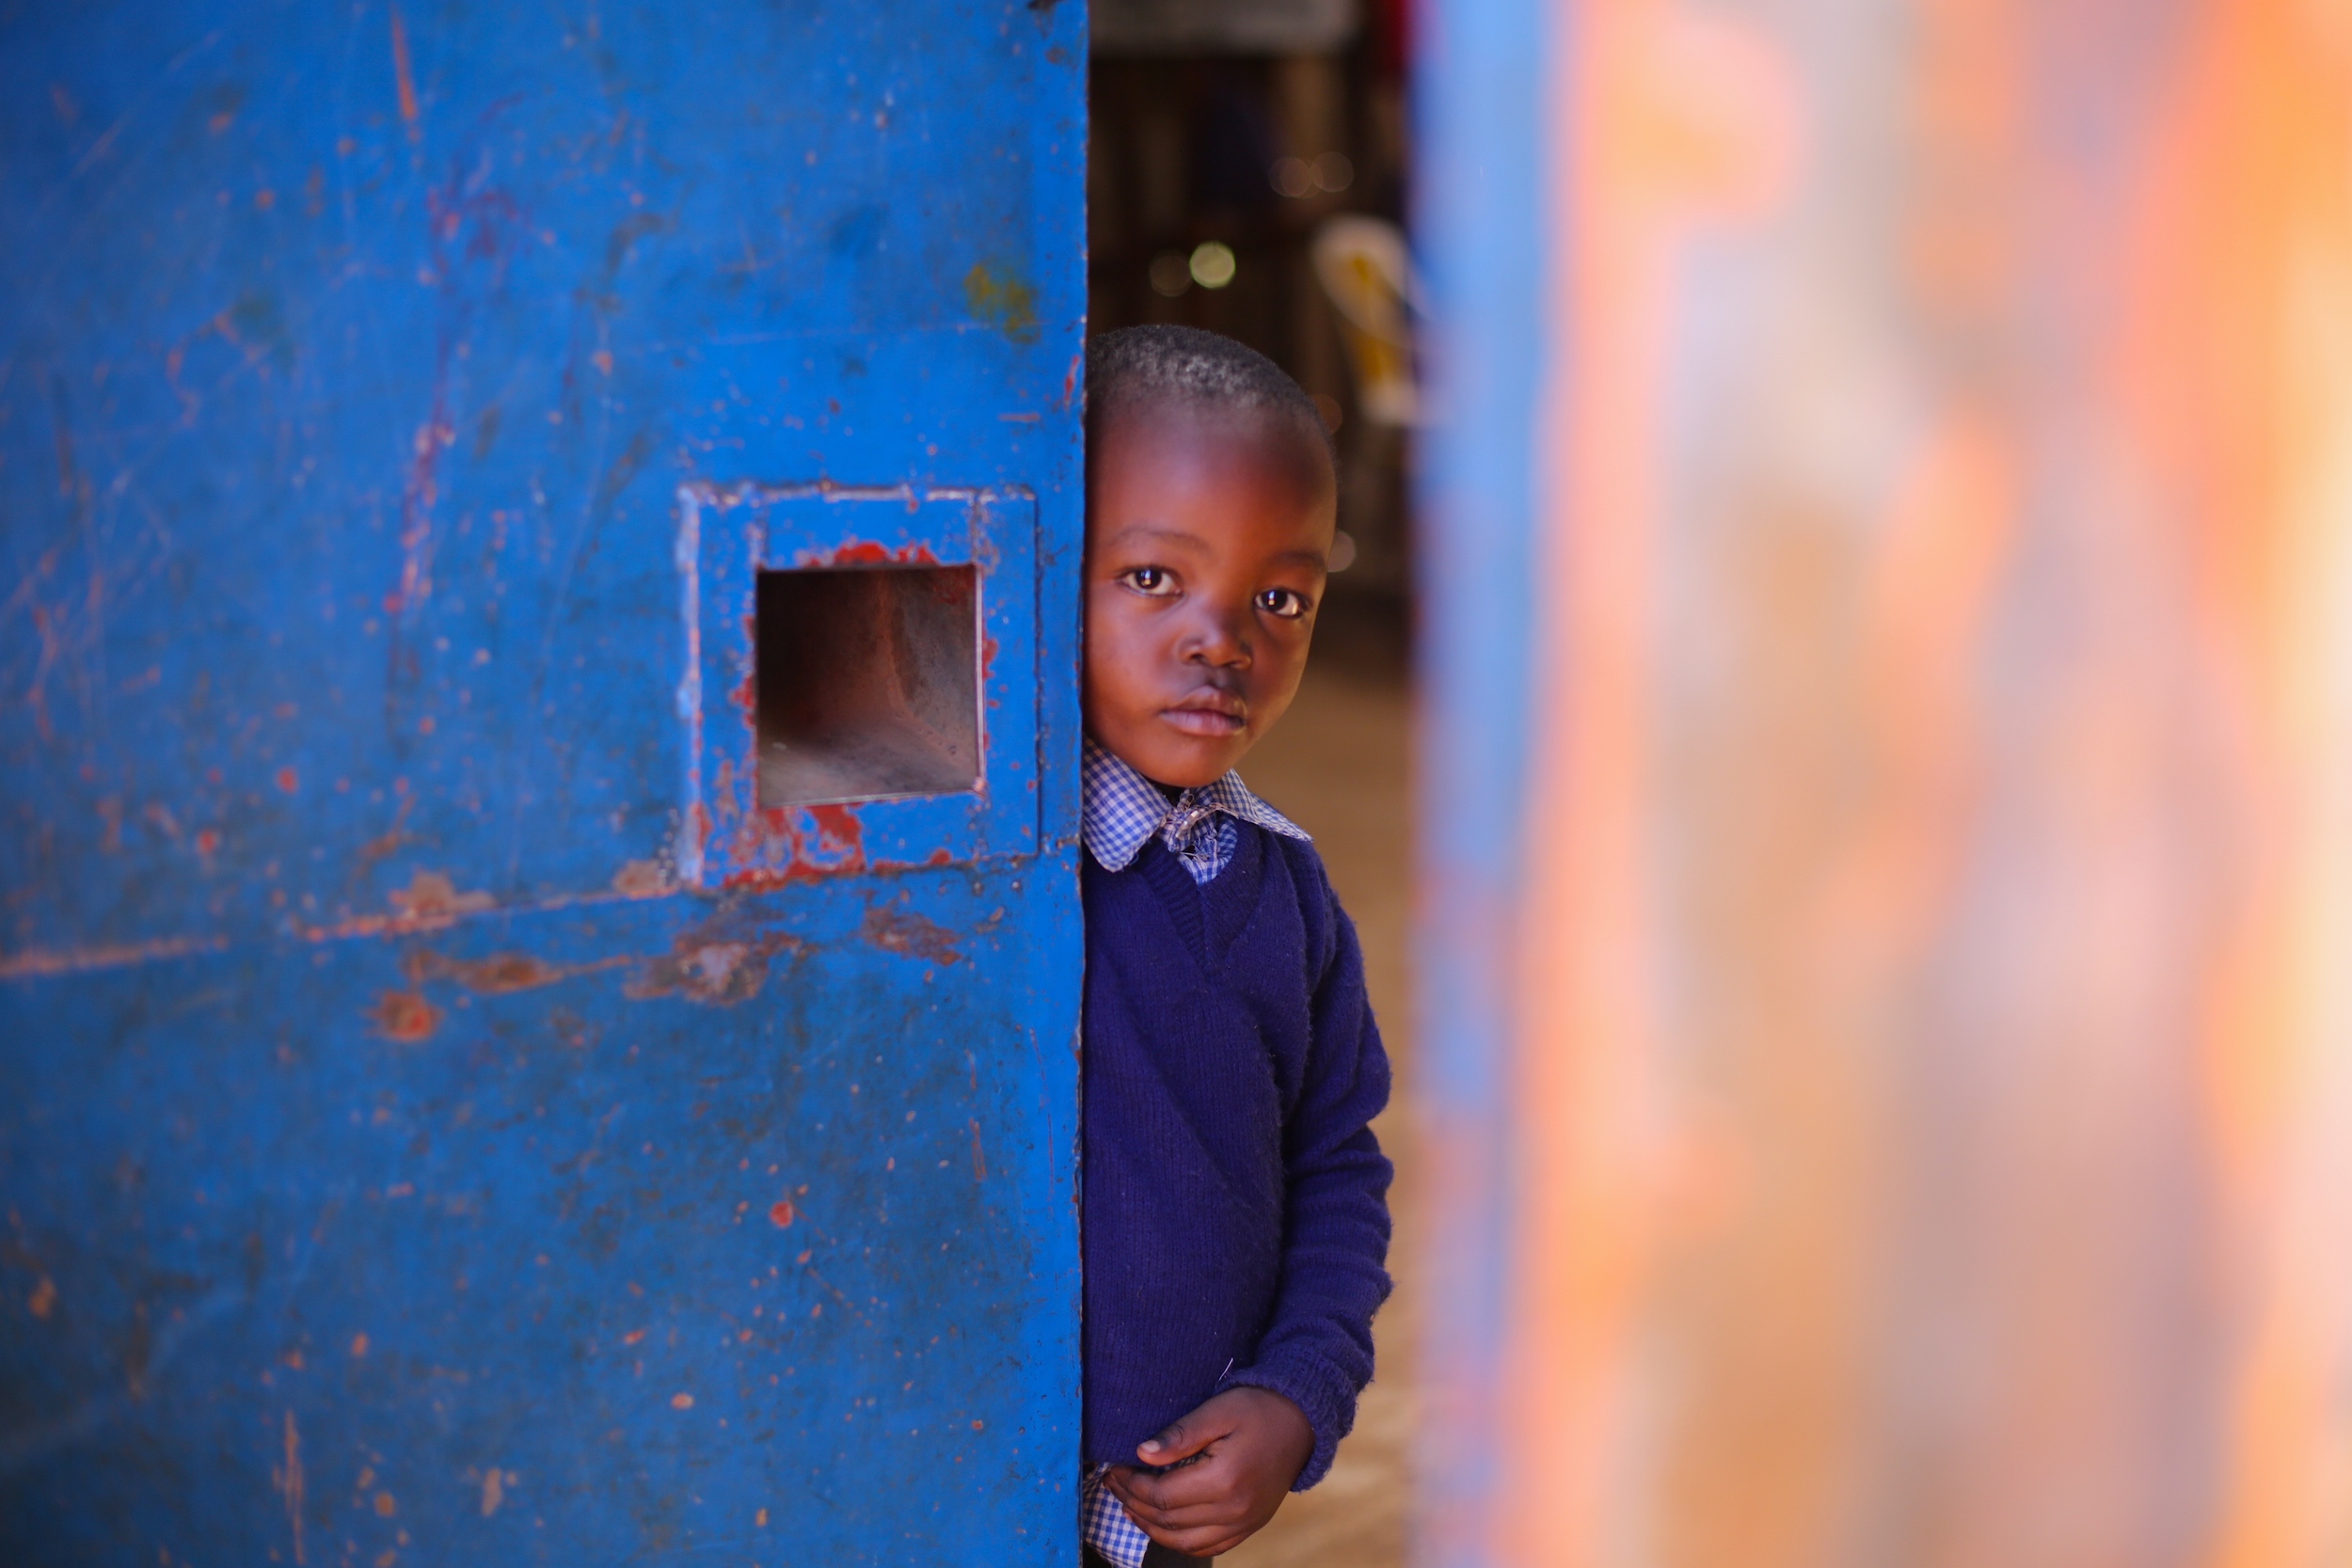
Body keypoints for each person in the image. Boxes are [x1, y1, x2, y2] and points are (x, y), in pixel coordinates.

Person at [1076, 325, 1394, 1565]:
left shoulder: (1293, 897)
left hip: (1170, 1526)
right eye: (1156, 579)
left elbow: (1338, 1167)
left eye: (1280, 598)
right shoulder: (994, 885)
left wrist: (1296, 1398)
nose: (1224, 642)